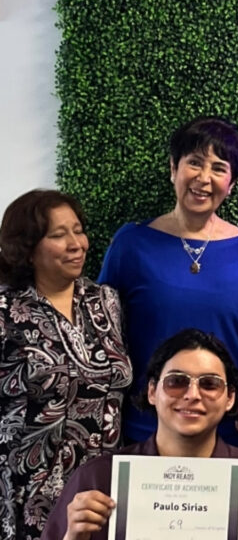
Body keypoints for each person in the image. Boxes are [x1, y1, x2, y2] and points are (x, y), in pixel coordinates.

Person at [99, 116, 238, 446]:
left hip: (230, 433)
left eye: (219, 168)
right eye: (194, 162)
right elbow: (102, 333)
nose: (203, 178)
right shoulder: (131, 244)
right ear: (173, 168)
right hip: (146, 431)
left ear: (232, 182)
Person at [42, 328, 238, 540]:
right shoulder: (97, 478)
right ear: (151, 392)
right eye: (176, 382)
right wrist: (73, 536)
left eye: (209, 384)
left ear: (230, 399)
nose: (192, 395)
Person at [0, 190, 132, 540]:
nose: (77, 244)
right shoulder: (4, 310)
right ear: (27, 249)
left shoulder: (105, 301)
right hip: (27, 492)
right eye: (59, 235)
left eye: (78, 230)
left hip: (102, 490)